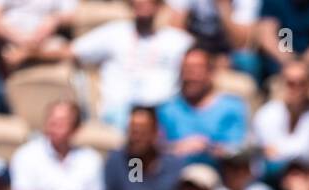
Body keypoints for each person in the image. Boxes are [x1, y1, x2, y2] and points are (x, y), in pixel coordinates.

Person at [68, 0, 192, 128]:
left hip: (163, 111)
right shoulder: (115, 32)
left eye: (148, 4)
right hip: (121, 111)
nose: (143, 9)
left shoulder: (177, 40)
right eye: (138, 5)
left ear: (158, 7)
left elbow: (203, 62)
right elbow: (72, 51)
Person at [157, 46, 249, 165]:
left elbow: (238, 149)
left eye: (196, 70)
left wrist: (207, 148)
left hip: (217, 173)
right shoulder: (166, 109)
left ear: (210, 73)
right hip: (175, 174)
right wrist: (177, 147)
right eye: (186, 70)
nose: (190, 76)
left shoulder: (232, 106)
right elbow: (157, 149)